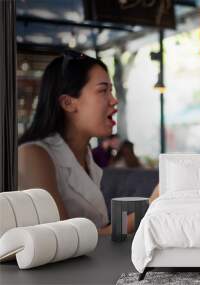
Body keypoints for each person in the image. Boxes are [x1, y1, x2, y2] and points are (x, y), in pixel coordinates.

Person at [18, 50, 134, 235]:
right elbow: (62, 237)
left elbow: (97, 229)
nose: (114, 100)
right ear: (68, 103)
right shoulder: (32, 155)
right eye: (103, 90)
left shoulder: (85, 155)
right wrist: (146, 211)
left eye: (111, 90)